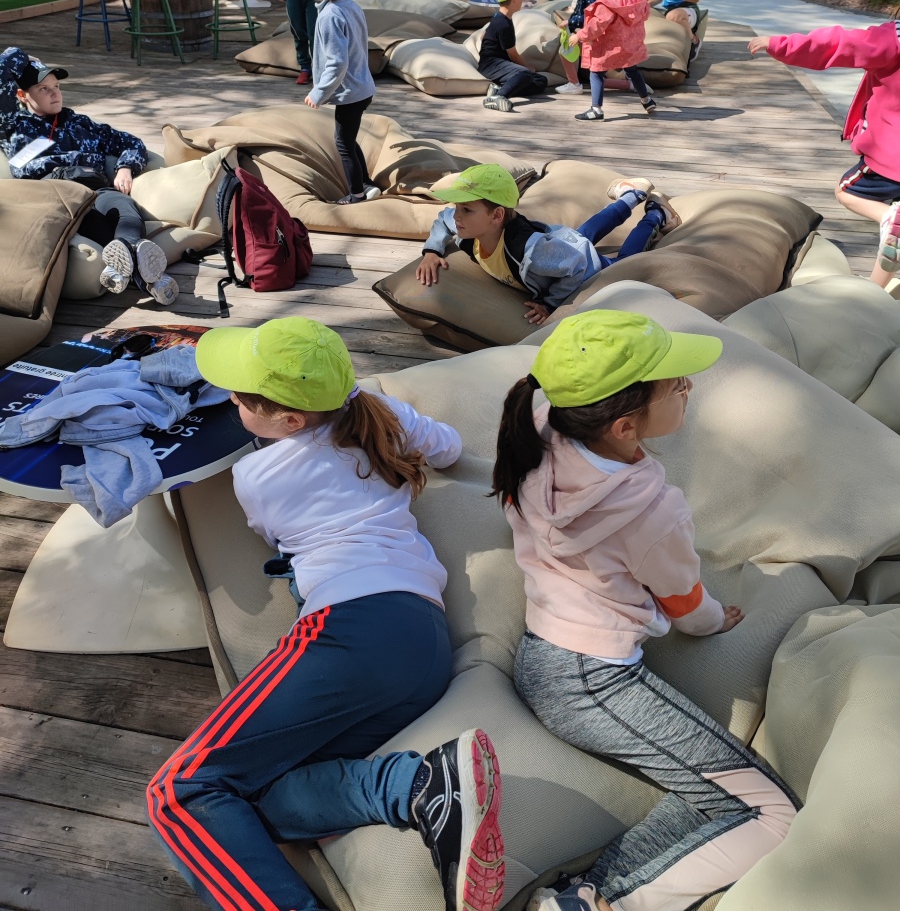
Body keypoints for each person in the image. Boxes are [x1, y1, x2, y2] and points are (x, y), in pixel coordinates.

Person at [147, 316, 505, 911]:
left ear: (289, 420)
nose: (232, 401)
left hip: (348, 628)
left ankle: (409, 786)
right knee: (255, 795)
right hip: (423, 644)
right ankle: (416, 786)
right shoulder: (381, 414)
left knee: (179, 793)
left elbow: (272, 534)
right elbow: (445, 445)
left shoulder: (256, 475)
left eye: (241, 398)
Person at [493, 310, 800, 911]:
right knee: (774, 814)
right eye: (675, 383)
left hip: (546, 655)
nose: (688, 386)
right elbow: (685, 604)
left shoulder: (544, 422)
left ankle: (589, 892)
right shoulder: (650, 508)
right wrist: (714, 620)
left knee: (713, 789)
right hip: (593, 680)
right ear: (626, 426)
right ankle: (593, 903)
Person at [0, 47, 178, 305]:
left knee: (126, 209)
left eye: (57, 86)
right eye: (43, 89)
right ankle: (151, 279)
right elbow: (2, 72)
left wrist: (125, 167)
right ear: (22, 95)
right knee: (98, 226)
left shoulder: (79, 123)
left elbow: (131, 142)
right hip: (57, 194)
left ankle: (130, 268)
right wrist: (21, 56)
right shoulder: (11, 124)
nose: (55, 94)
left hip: (96, 189)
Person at [415, 164, 679, 326]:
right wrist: (432, 250)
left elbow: (577, 264)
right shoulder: (468, 230)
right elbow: (442, 219)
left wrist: (549, 303)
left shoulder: (532, 251)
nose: (457, 216)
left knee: (625, 259)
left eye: (466, 209)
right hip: (560, 240)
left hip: (583, 263)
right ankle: (633, 193)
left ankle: (657, 213)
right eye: (457, 207)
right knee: (588, 230)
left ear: (496, 215)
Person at [749, 22, 900, 287]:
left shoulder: (893, 38)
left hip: (891, 158)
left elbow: (838, 44)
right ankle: (876, 289)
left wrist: (780, 45)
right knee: (894, 235)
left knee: (847, 192)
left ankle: (888, 221)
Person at [302, 0, 380, 206]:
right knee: (348, 138)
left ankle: (356, 194)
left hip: (349, 92)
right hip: (362, 87)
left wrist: (319, 92)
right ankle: (367, 184)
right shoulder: (351, 6)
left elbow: (337, 63)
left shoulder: (329, 16)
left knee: (343, 144)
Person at [575, 0, 656, 121]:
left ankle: (596, 109)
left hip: (610, 47)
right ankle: (647, 100)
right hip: (630, 45)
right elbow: (645, 13)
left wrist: (580, 35)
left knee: (596, 72)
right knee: (632, 70)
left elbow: (598, 24)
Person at [478, 0, 549, 114]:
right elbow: (513, 55)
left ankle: (498, 89)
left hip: (497, 64)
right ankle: (499, 97)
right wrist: (527, 67)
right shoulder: (503, 24)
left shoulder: (500, 17)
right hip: (491, 65)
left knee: (541, 81)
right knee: (525, 74)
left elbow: (483, 36)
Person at [558, 0, 603, 94]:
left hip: (588, 36)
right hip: (587, 34)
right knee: (596, 73)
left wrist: (570, 21)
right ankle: (627, 84)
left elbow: (589, 18)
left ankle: (574, 83)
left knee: (565, 52)